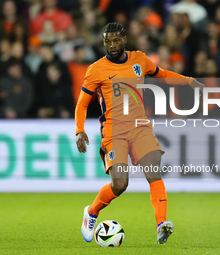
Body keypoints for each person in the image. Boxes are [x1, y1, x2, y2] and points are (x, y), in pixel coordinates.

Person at [75, 23, 204, 245]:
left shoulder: (139, 60)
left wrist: (189, 81)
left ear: (125, 39)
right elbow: (82, 104)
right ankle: (92, 212)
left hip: (139, 127)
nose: (112, 45)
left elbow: (161, 74)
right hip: (114, 132)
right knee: (120, 185)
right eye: (107, 41)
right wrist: (79, 130)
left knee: (154, 171)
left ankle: (161, 225)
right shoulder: (96, 69)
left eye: (116, 40)